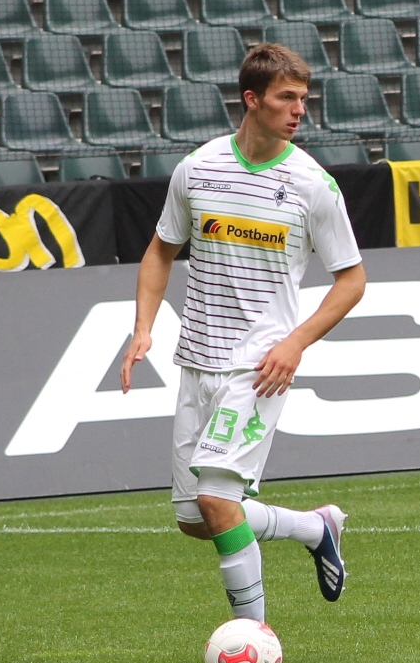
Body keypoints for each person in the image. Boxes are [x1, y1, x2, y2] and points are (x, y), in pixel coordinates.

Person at [120, 44, 368, 620]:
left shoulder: (312, 184)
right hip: (196, 358)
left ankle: (254, 637)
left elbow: (352, 280)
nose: (299, 110)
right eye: (287, 98)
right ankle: (314, 528)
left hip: (258, 366)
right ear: (252, 100)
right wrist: (142, 329)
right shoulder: (198, 168)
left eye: (303, 98)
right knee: (195, 517)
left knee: (216, 499)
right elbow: (160, 250)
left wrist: (294, 343)